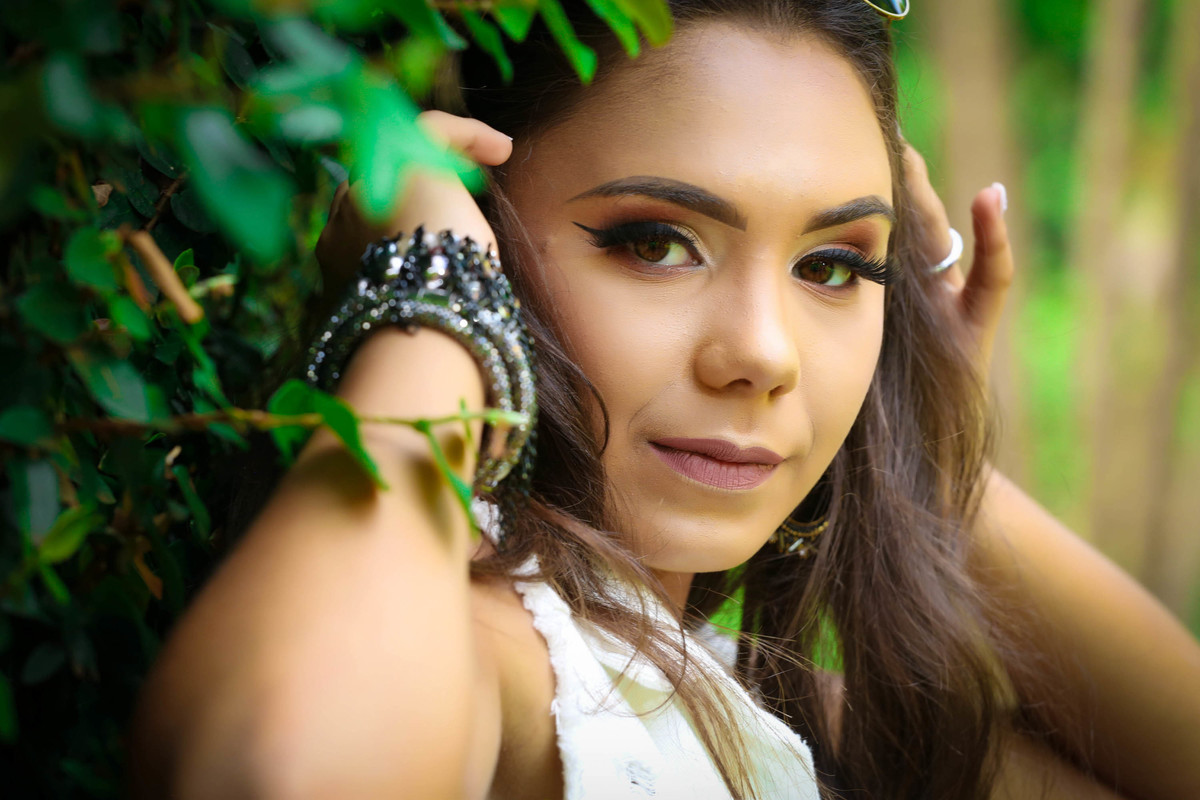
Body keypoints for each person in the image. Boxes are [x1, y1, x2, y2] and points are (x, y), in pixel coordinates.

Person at [130, 1, 1200, 798]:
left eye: (833, 266)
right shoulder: (495, 665)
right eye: (655, 243)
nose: (765, 354)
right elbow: (268, 767)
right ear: (481, 220)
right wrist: (433, 291)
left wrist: (921, 434)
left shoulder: (767, 721)